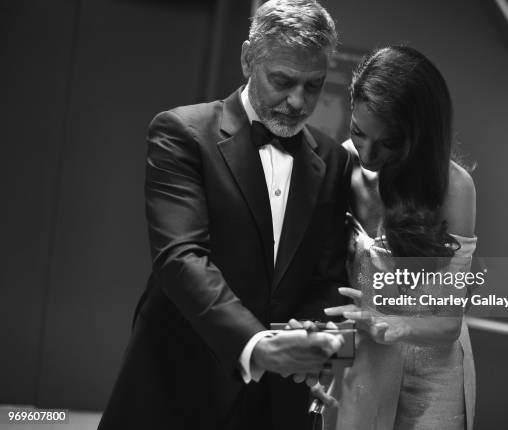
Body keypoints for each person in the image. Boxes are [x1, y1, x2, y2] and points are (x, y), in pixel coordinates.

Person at [97, 1, 351, 429]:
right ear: (248, 57)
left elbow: (327, 276)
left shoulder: (333, 158)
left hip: (278, 401)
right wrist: (256, 343)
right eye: (283, 81)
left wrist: (310, 345)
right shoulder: (181, 132)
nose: (297, 101)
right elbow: (181, 258)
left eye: (314, 85)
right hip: (178, 380)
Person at [324, 45, 477, 429]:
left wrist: (389, 321)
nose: (368, 154)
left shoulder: (454, 188)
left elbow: (447, 323)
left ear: (418, 136)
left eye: (388, 142)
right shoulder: (340, 165)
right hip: (365, 356)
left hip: (433, 369)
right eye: (358, 132)